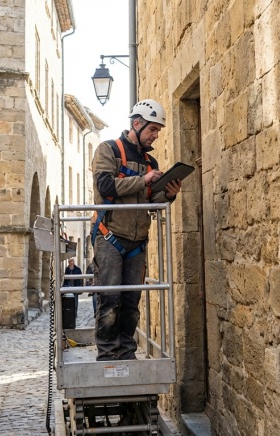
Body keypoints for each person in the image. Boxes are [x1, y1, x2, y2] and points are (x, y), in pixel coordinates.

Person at [91, 99, 182, 361]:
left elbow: (151, 200)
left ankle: (126, 352)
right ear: (137, 124)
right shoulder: (108, 150)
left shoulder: (150, 162)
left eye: (158, 131)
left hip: (137, 241)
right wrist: (143, 180)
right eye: (152, 129)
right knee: (110, 299)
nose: (155, 136)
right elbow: (105, 186)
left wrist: (168, 194)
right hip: (109, 235)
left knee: (131, 302)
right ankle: (107, 354)